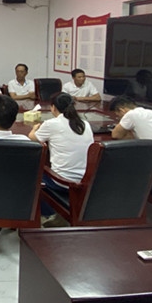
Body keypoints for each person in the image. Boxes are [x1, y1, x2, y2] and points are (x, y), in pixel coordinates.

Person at [29, 93, 93, 226]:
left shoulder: (52, 124)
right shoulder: (85, 124)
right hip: (85, 180)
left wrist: (34, 129)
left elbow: (33, 139)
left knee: (33, 174)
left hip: (62, 182)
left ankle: (47, 215)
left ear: (53, 108)